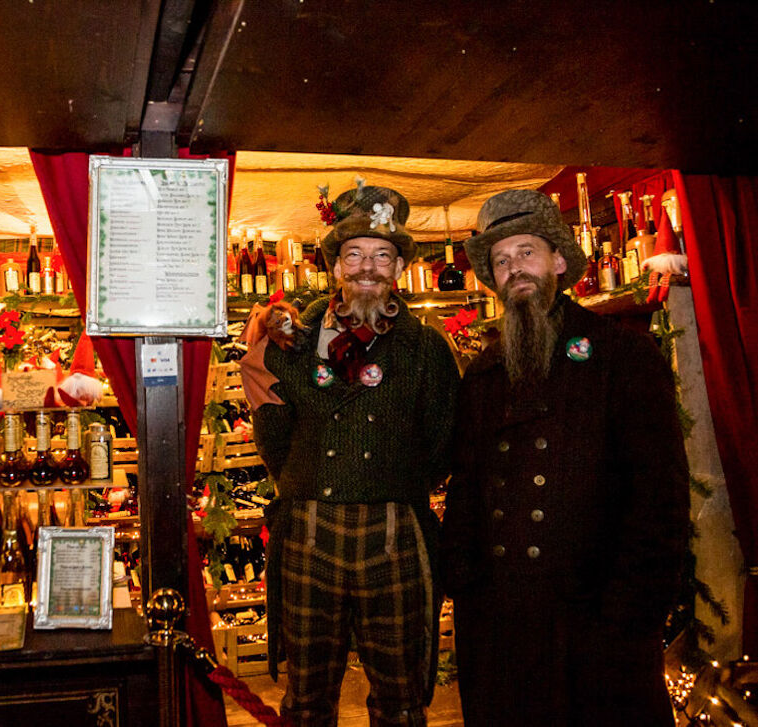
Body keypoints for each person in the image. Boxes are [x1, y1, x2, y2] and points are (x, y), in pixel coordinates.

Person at [440, 189, 689, 726]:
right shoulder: (484, 374)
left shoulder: (621, 356)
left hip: (597, 627)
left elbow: (659, 500)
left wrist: (630, 618)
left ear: (557, 260)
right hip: (503, 633)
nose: (514, 270)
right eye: (501, 262)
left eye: (525, 252)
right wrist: (468, 594)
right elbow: (465, 493)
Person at [240, 183, 459, 726]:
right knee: (307, 702)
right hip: (309, 529)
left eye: (382, 255)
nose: (368, 267)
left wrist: (392, 476)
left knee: (402, 702)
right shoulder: (291, 339)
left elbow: (443, 440)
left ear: (400, 266)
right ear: (336, 265)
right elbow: (268, 412)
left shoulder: (427, 347)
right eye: (355, 254)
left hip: (397, 530)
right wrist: (301, 473)